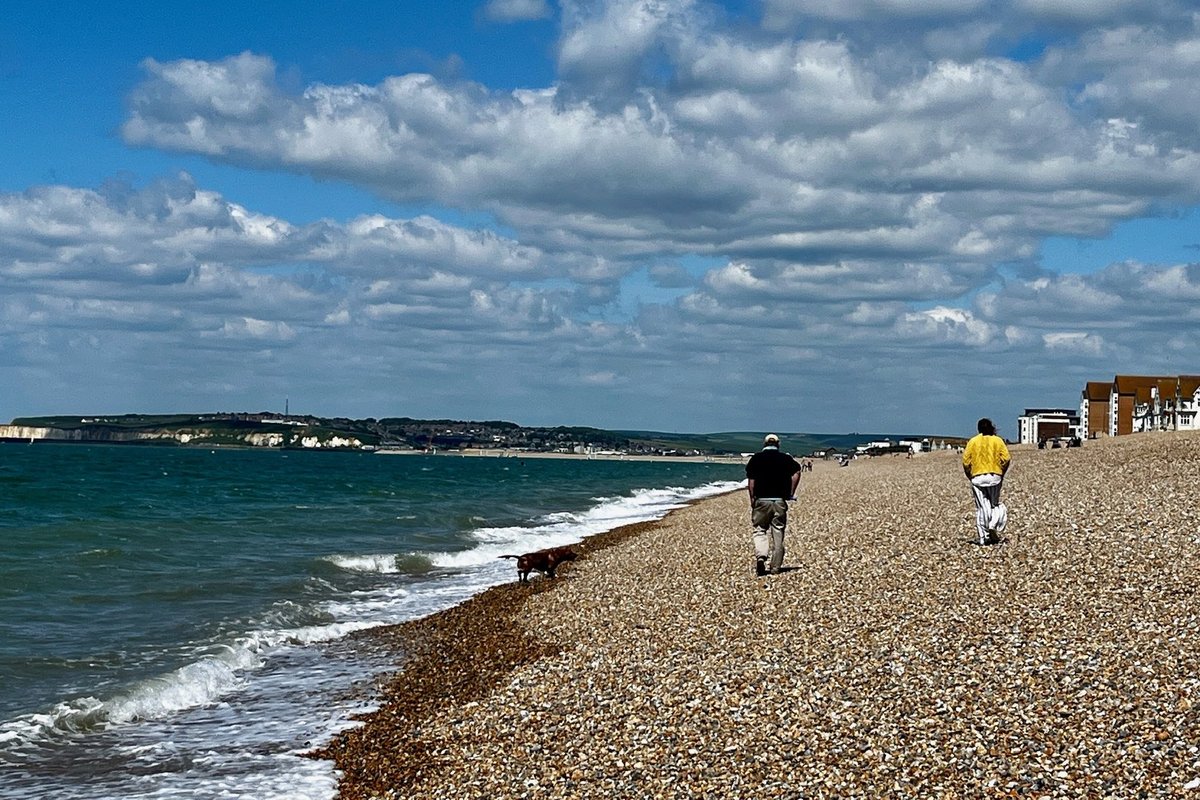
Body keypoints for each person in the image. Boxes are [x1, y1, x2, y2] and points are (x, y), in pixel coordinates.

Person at [745, 433, 803, 576]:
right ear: (778, 444)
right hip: (779, 500)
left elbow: (751, 482)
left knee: (760, 530)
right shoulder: (785, 459)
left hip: (761, 500)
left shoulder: (756, 459)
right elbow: (797, 471)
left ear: (764, 444)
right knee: (778, 531)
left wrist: (752, 498)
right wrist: (790, 492)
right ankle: (775, 567)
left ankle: (761, 557)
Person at [962, 418, 1011, 545]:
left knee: (982, 508)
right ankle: (993, 524)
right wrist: (1002, 472)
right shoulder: (998, 440)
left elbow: (966, 461)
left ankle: (983, 537)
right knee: (994, 504)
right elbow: (1006, 458)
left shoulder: (973, 441)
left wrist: (969, 475)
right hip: (995, 475)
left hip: (977, 477)